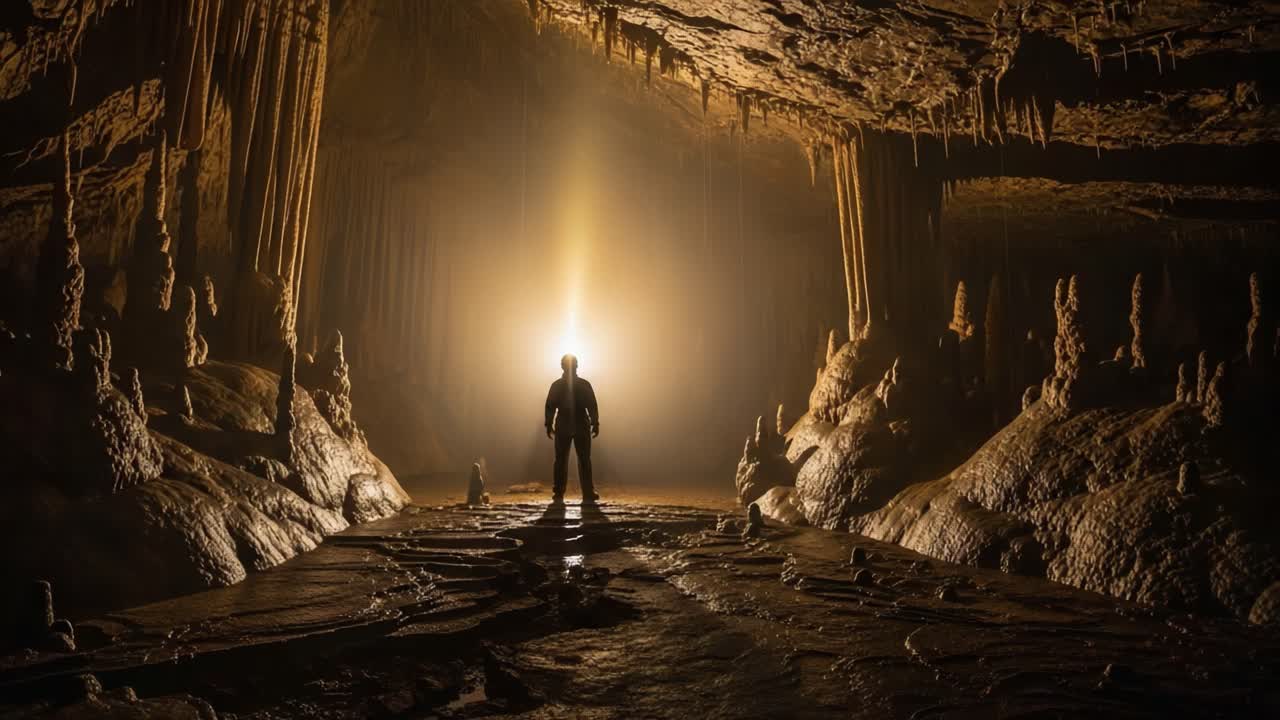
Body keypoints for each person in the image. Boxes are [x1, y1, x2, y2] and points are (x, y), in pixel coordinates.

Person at [544, 353, 599, 504]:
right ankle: (585, 492)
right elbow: (592, 405)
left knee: (565, 459)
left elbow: (550, 406)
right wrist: (595, 422)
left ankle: (560, 492)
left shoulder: (558, 385)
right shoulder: (583, 384)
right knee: (578, 459)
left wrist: (549, 423)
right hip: (576, 421)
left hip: (568, 421)